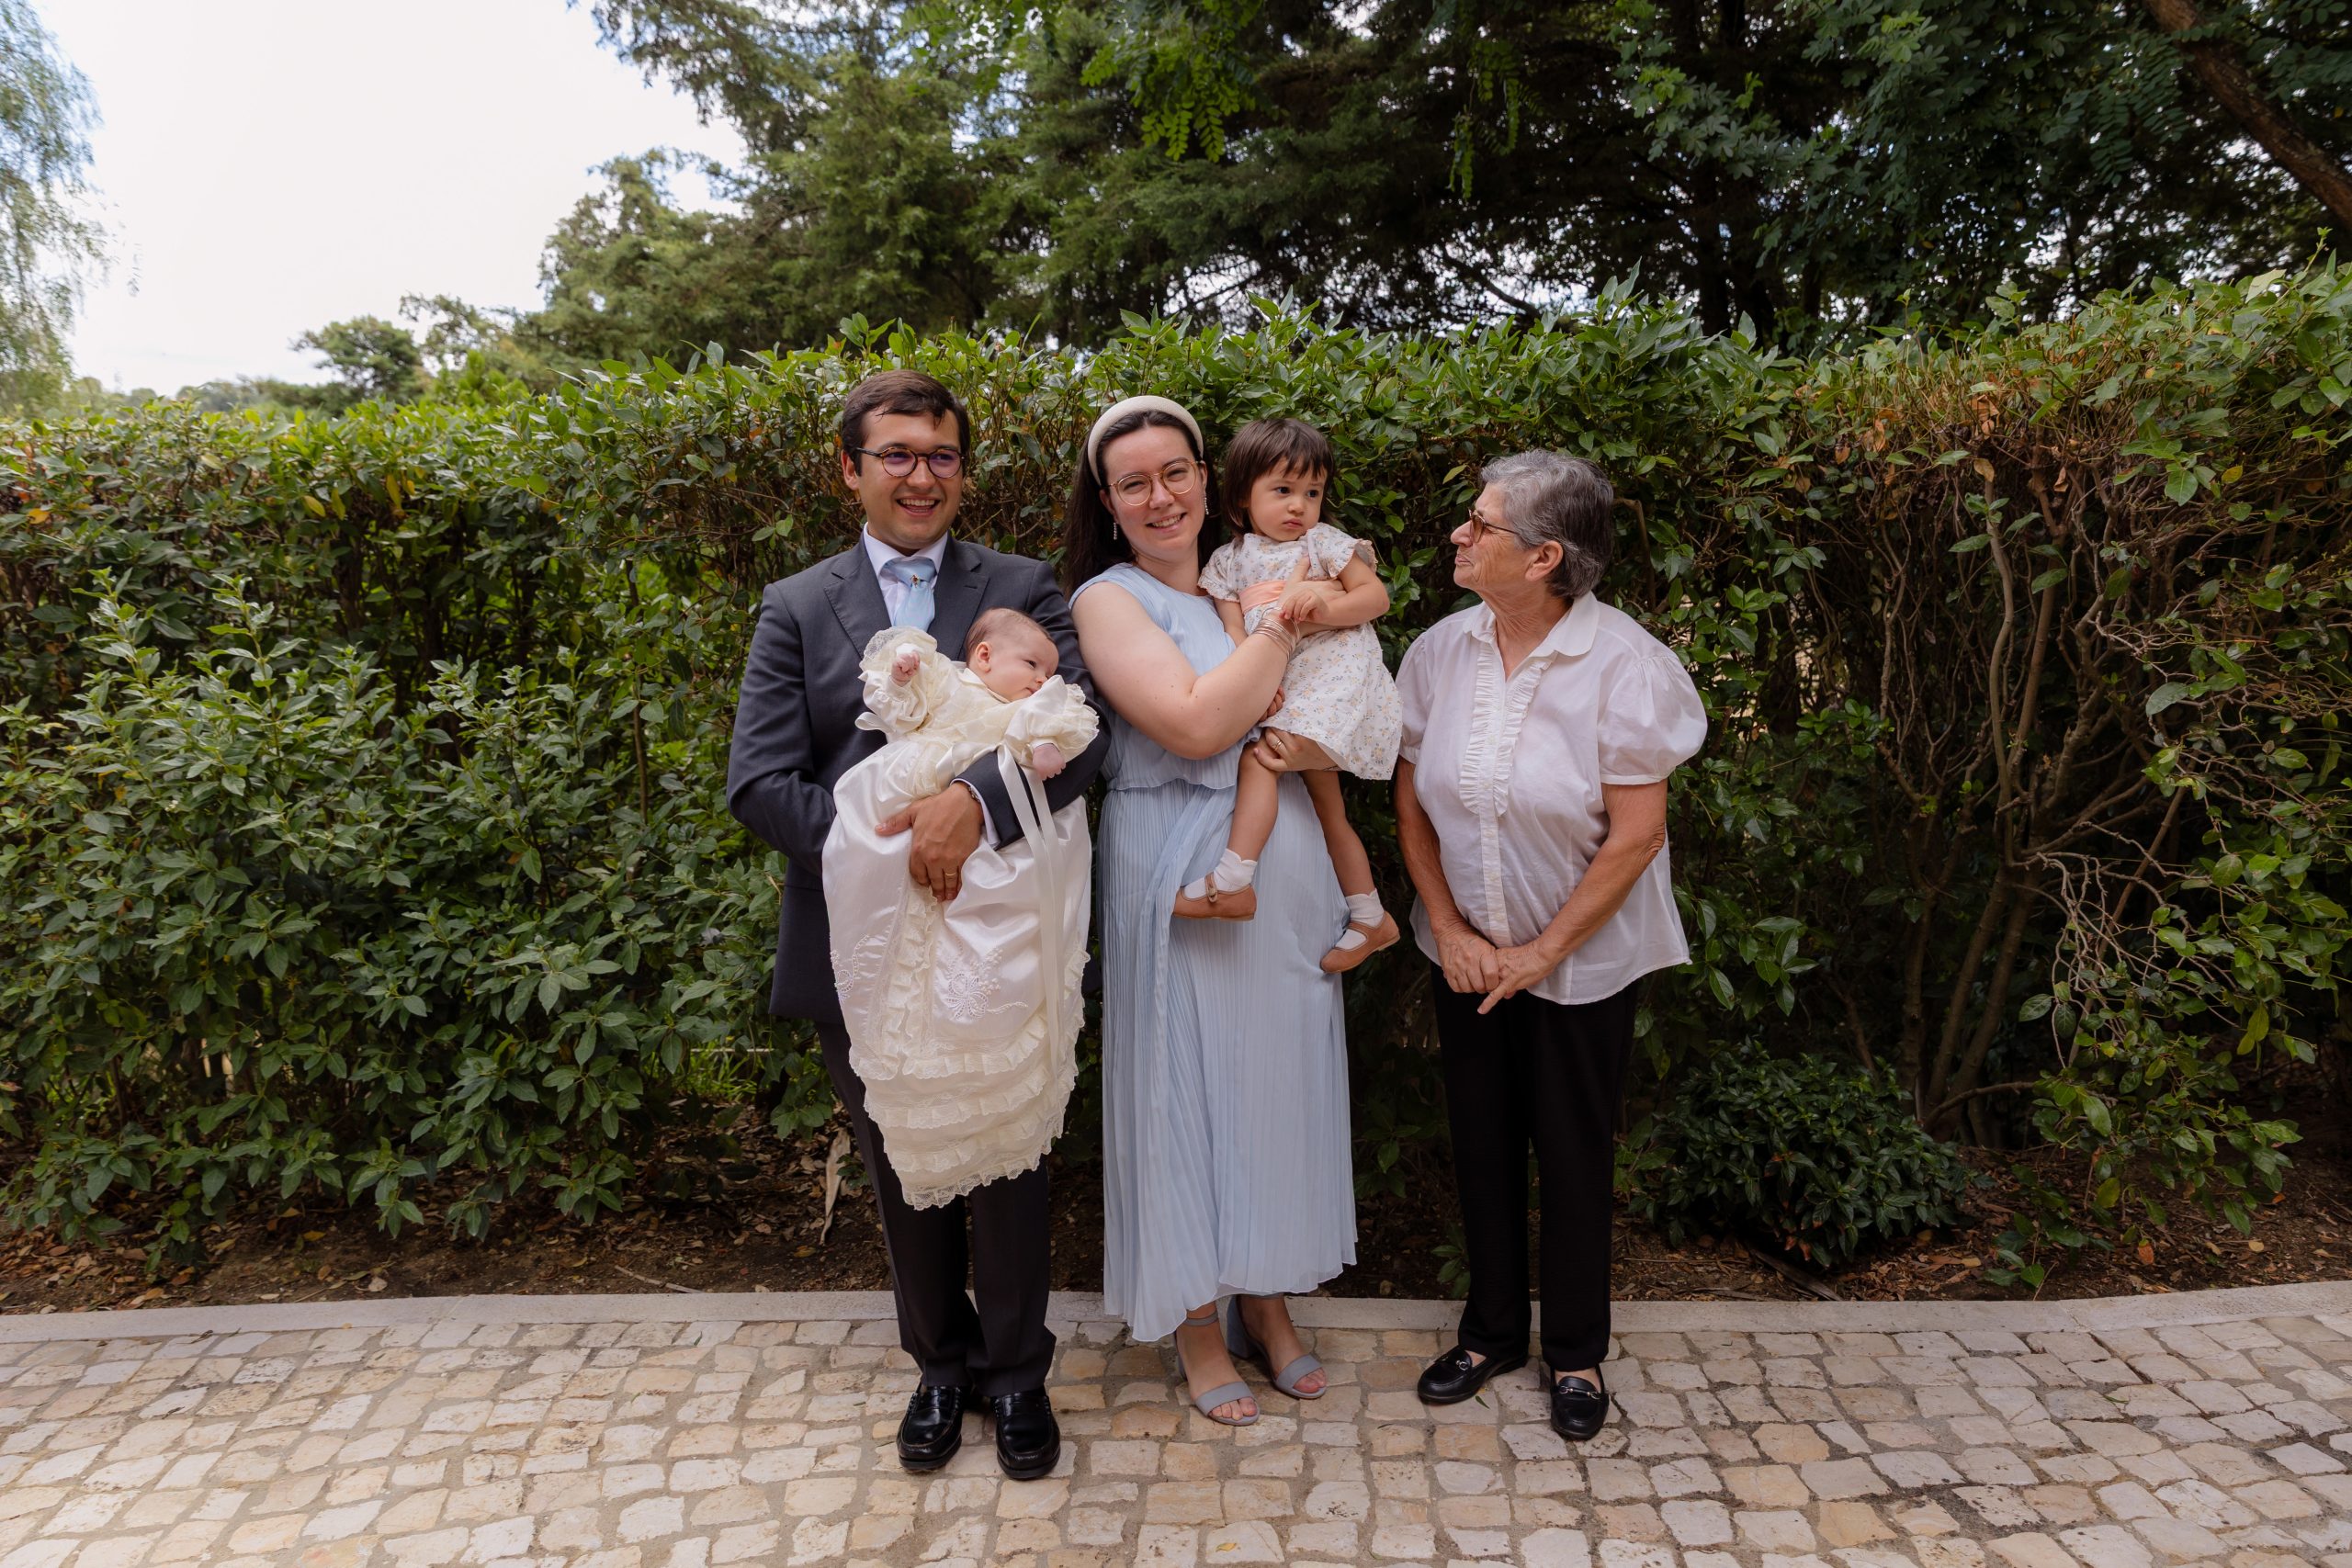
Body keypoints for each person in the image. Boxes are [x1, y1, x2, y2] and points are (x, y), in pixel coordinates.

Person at [726, 370, 1108, 1481]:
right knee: (903, 1159)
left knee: (1011, 1155)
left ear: (963, 470)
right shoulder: (797, 605)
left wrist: (973, 808)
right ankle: (940, 1368)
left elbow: (1082, 738)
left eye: (940, 455)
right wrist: (887, 858)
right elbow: (759, 781)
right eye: (896, 454)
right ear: (850, 469)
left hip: (1004, 933)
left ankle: (1018, 1373)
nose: (921, 475)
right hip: (863, 942)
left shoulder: (1021, 586)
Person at [1394, 451, 1706, 1442]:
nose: (1459, 534)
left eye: (1480, 524)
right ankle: (1488, 1333)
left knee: (1572, 1154)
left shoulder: (1625, 665)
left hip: (1582, 961)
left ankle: (1574, 1352)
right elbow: (1410, 798)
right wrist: (1449, 928)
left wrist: (1541, 954)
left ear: (1543, 558)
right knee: (1480, 1143)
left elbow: (1636, 836)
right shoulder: (1440, 652)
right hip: (1465, 954)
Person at [1064, 394, 1357, 1427]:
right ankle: (1196, 1317)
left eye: (1175, 472)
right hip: (1174, 853)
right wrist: (1285, 623)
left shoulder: (1251, 571)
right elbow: (1194, 726)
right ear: (1108, 503)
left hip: (1284, 854)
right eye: (1133, 483)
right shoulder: (1110, 600)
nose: (1160, 497)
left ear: (1206, 478)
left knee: (1273, 1082)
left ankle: (1265, 1299)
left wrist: (1284, 625)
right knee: (1179, 1086)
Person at [822, 610, 1100, 1212]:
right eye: (1032, 664)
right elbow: (903, 700)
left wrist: (1042, 745)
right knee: (907, 960)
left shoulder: (1030, 704)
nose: (1042, 678)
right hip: (909, 806)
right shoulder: (950, 682)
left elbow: (1070, 731)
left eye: (1049, 669)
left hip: (1001, 839)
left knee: (987, 943)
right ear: (984, 658)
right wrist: (904, 670)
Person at [1182, 418, 1403, 974]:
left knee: (1261, 759)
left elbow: (1375, 598)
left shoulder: (1322, 542)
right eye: (1283, 490)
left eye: (1312, 493)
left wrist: (1324, 604)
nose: (1299, 506)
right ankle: (1371, 915)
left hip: (1335, 684)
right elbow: (1234, 634)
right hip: (1287, 689)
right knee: (1330, 809)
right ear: (1242, 497)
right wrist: (1258, 686)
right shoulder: (1227, 561)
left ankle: (1234, 879)